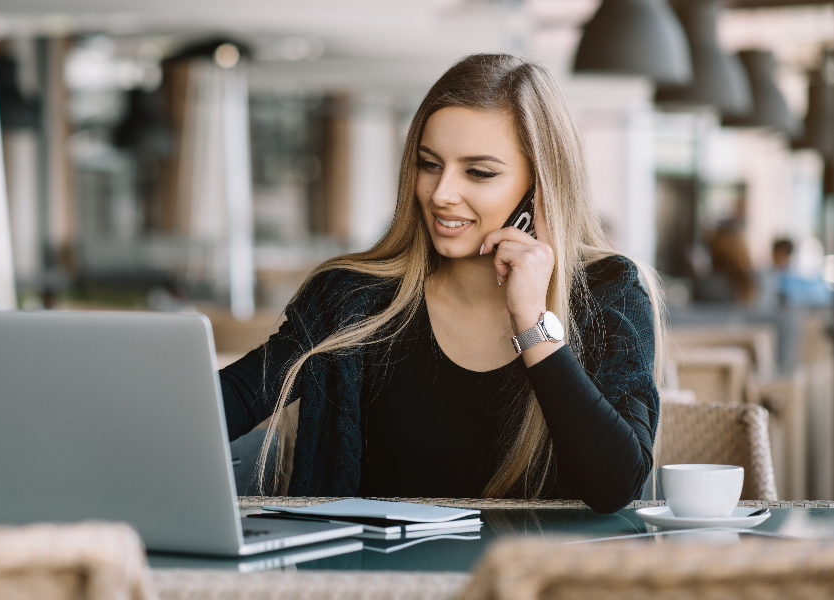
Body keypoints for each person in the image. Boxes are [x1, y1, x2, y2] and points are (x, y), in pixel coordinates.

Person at [219, 54, 664, 514]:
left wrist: (533, 323)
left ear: (540, 187)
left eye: (479, 172)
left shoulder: (610, 291)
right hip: (383, 585)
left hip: (536, 583)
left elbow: (616, 485)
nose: (441, 192)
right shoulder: (351, 297)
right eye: (430, 164)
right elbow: (230, 400)